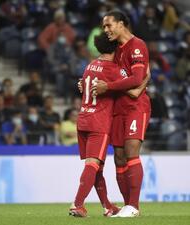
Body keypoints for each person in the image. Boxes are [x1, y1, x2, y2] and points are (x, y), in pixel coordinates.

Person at [69, 32, 146, 218]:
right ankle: (77, 204)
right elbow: (133, 81)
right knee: (93, 164)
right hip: (99, 122)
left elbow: (84, 85)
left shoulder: (89, 66)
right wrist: (145, 75)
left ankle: (107, 206)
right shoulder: (112, 69)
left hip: (83, 119)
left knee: (97, 167)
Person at [93, 10, 151, 217]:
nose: (106, 30)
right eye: (104, 27)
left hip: (136, 107)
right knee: (118, 157)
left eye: (109, 25)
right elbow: (140, 77)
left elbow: (137, 78)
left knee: (131, 151)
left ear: (121, 24)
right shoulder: (114, 50)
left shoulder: (137, 45)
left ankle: (134, 206)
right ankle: (127, 206)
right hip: (118, 108)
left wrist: (108, 86)